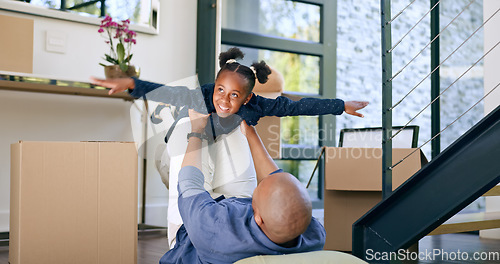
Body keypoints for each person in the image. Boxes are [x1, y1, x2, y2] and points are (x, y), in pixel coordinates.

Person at [91, 47, 368, 246]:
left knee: (238, 141)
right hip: (184, 147)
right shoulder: (201, 96)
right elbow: (167, 92)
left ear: (247, 99)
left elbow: (298, 106)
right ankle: (180, 236)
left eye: (234, 95)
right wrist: (131, 84)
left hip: (223, 150)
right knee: (196, 151)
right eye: (220, 90)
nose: (224, 100)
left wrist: (341, 106)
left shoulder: (258, 106)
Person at [159, 108, 325, 264]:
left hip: (192, 229)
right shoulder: (314, 233)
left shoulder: (214, 231)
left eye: (259, 188)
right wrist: (250, 132)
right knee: (233, 126)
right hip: (233, 208)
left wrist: (196, 132)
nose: (263, 179)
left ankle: (164, 116)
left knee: (185, 127)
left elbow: (189, 183)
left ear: (258, 217)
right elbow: (277, 179)